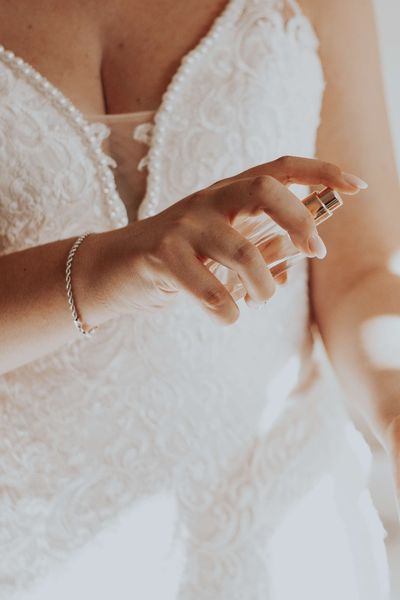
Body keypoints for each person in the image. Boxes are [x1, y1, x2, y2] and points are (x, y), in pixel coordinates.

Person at [0, 0, 398, 597]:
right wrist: (110, 268)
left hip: (271, 538)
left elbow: (361, 272)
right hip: (27, 548)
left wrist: (396, 409)